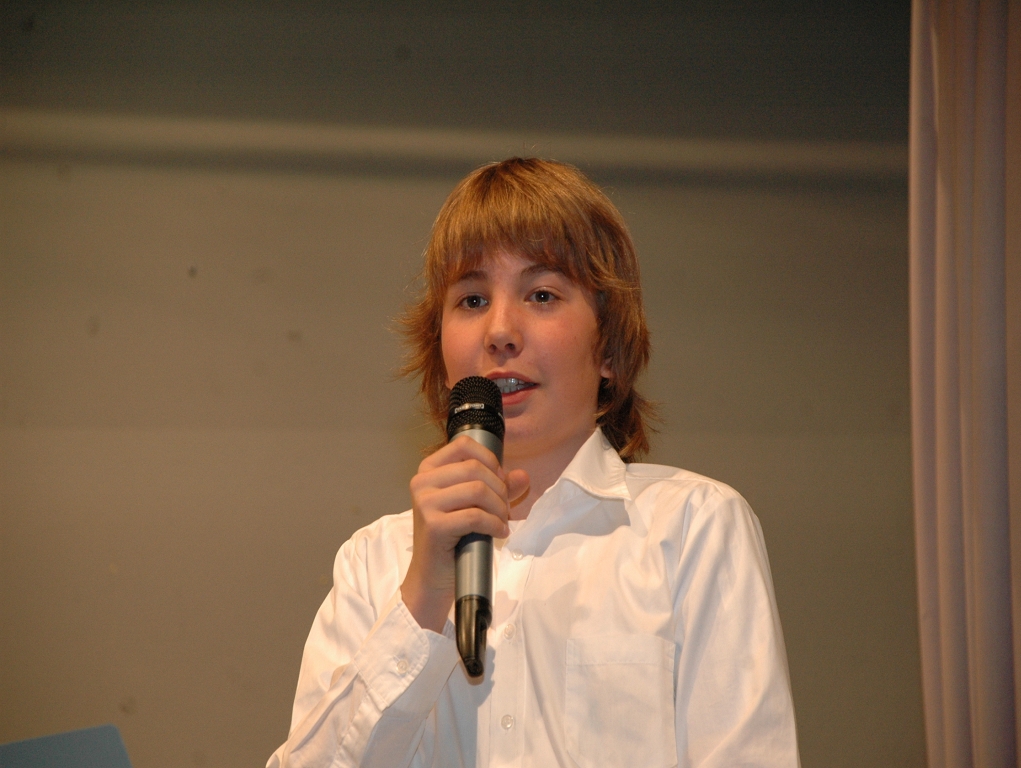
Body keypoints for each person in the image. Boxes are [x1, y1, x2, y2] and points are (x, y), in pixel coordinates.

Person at [267, 158, 800, 768]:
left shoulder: (692, 528)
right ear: (441, 352)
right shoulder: (374, 562)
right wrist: (424, 596)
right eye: (471, 299)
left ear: (609, 347)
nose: (500, 331)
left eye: (542, 295)